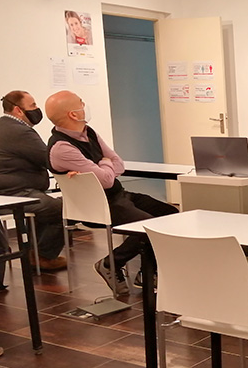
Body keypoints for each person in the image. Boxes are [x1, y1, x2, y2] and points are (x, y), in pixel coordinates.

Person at [45, 90, 178, 294]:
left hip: (118, 195)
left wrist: (101, 166)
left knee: (169, 214)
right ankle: (111, 264)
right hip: (97, 204)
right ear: (73, 114)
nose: (84, 105)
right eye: (81, 103)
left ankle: (146, 273)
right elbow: (106, 180)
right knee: (149, 227)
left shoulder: (89, 132)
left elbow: (118, 163)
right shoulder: (62, 147)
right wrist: (104, 166)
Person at [0, 91, 66, 271]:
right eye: (33, 105)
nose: (37, 109)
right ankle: (43, 257)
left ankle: (34, 253)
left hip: (5, 190)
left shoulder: (5, 126)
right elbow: (49, 159)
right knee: (59, 209)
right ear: (18, 110)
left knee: (47, 205)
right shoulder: (18, 131)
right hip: (9, 194)